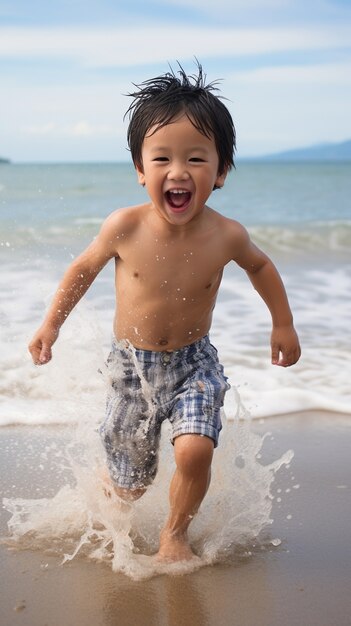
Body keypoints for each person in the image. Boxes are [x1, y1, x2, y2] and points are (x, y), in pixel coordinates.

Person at [29, 62, 301, 563]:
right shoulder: (125, 226)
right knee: (129, 485)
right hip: (131, 369)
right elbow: (83, 270)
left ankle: (175, 535)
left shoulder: (227, 234)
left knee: (195, 449)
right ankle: (108, 499)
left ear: (219, 173)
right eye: (162, 158)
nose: (178, 171)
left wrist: (281, 323)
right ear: (140, 170)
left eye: (196, 158)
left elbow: (261, 266)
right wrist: (51, 324)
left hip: (194, 363)